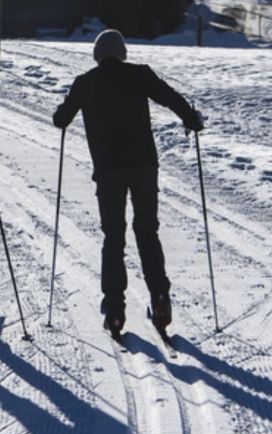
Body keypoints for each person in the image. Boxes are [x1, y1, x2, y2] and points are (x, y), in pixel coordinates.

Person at [53, 28, 204, 335]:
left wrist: (62, 109)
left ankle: (115, 312)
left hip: (109, 171)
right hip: (143, 167)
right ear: (123, 53)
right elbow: (170, 98)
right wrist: (191, 118)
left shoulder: (85, 83)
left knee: (114, 237)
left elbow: (61, 119)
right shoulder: (140, 75)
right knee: (147, 231)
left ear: (97, 55)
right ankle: (160, 297)